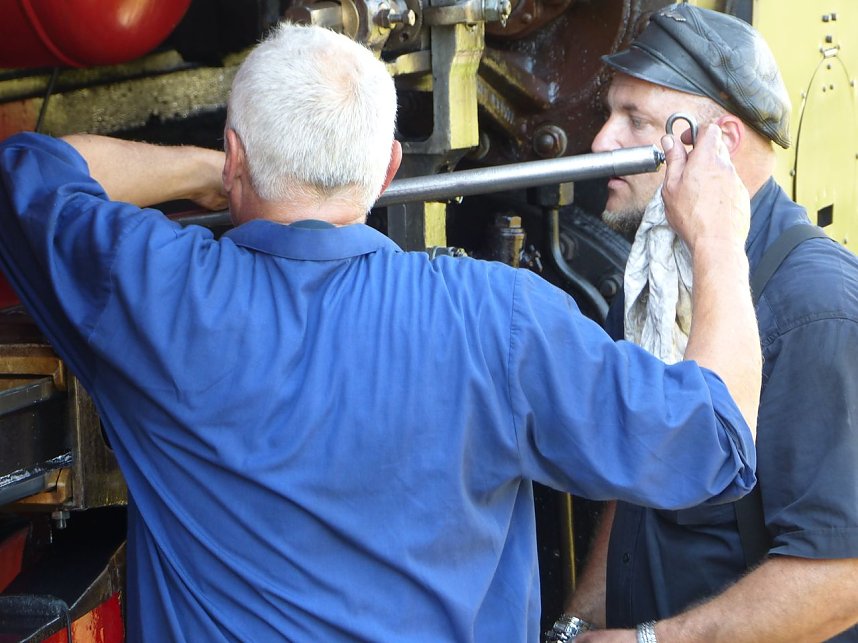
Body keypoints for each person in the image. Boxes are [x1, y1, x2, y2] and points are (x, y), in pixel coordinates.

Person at [0, 22, 761, 642]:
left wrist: (212, 173)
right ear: (391, 165)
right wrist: (720, 237)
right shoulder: (496, 319)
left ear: (237, 155)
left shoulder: (154, 291)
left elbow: (29, 168)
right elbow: (716, 440)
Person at [558, 4, 858, 642]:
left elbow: (841, 577)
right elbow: (637, 478)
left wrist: (650, 641)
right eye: (609, 113)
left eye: (634, 119)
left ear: (720, 140)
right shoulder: (654, 277)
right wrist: (579, 621)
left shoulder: (813, 305)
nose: (601, 143)